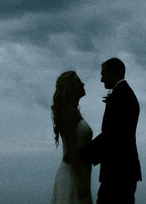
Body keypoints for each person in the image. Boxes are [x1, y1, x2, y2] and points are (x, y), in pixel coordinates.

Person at [83, 58, 141, 204]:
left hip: (118, 171)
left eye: (103, 74)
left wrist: (83, 153)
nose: (101, 79)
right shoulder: (123, 93)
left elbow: (112, 135)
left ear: (113, 72)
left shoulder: (121, 96)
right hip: (123, 170)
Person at [51, 70, 93, 204]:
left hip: (79, 172)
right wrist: (81, 181)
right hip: (73, 175)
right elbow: (72, 148)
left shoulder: (73, 111)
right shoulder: (68, 112)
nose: (83, 84)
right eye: (78, 81)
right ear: (70, 87)